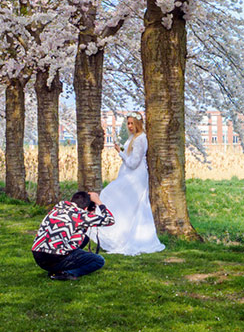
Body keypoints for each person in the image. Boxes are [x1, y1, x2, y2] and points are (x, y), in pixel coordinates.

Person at [96, 115, 165, 255]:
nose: (129, 126)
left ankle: (125, 237)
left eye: (132, 123)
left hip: (135, 177)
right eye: (128, 123)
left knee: (111, 195)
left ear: (138, 123)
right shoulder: (133, 137)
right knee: (128, 206)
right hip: (129, 174)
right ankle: (121, 235)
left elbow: (133, 163)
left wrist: (120, 153)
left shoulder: (140, 139)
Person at [31, 190, 115, 281]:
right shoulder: (81, 215)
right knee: (98, 260)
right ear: (86, 208)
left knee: (85, 239)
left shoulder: (57, 208)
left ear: (71, 199)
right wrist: (99, 202)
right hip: (55, 258)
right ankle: (65, 273)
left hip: (38, 255)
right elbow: (110, 220)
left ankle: (57, 269)